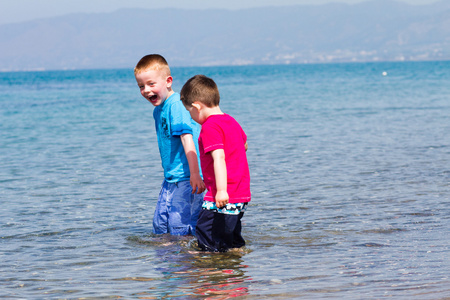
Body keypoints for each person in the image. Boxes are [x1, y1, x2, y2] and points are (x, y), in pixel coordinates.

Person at [134, 54, 205, 236]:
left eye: (151, 84)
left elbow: (187, 139)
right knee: (161, 227)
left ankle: (191, 261)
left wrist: (195, 175)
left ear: (168, 81)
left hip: (188, 178)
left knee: (182, 227)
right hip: (171, 178)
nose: (146, 90)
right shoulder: (159, 110)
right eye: (141, 86)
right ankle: (167, 262)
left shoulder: (176, 106)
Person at [180, 75, 251, 252]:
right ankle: (235, 267)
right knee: (230, 236)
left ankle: (213, 273)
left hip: (222, 195)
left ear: (197, 106)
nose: (192, 116)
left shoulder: (210, 126)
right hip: (240, 193)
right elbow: (244, 145)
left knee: (205, 234)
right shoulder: (231, 121)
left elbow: (218, 157)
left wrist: (220, 190)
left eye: (190, 112)